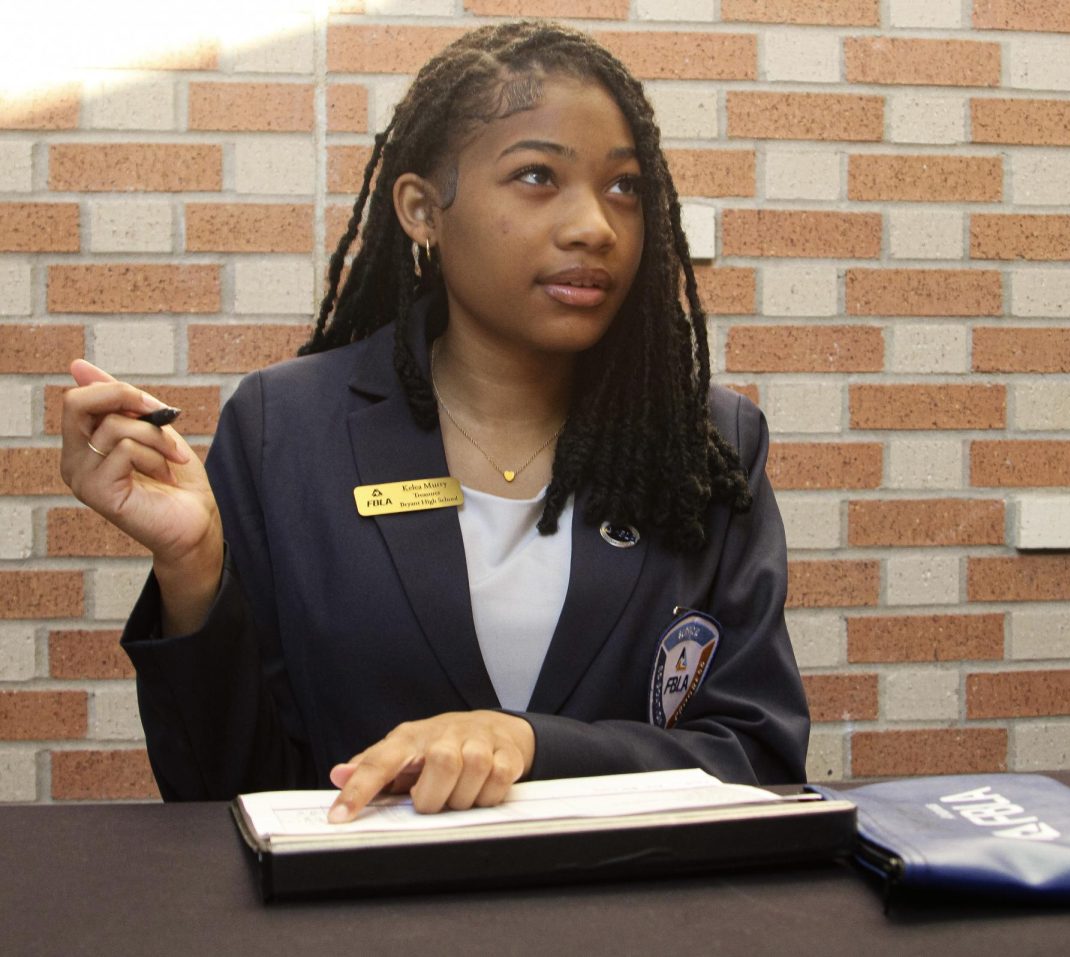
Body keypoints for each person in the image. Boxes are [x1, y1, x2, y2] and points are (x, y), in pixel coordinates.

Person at [58, 21, 810, 821]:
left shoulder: (706, 447)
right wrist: (193, 571)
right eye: (536, 176)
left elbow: (759, 759)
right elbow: (222, 793)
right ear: (421, 209)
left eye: (625, 187)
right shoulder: (287, 431)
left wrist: (529, 745)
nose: (596, 224)